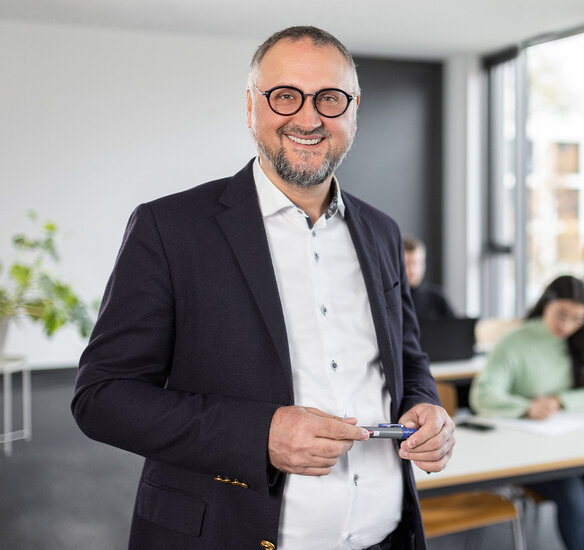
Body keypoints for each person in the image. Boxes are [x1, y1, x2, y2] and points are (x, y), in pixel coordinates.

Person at [71, 26, 454, 550]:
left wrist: (427, 407)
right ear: (251, 106)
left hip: (386, 539)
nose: (308, 117)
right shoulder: (170, 228)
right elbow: (102, 397)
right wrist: (260, 434)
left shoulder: (382, 231)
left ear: (354, 109)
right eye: (285, 96)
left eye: (330, 98)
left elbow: (407, 362)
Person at [470, 275, 584, 550]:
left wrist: (560, 401)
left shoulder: (583, 340)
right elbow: (482, 396)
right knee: (573, 494)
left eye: (578, 319)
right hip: (532, 453)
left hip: (577, 448)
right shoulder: (515, 341)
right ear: (546, 304)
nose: (567, 326)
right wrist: (527, 407)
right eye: (561, 315)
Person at [403, 236, 456, 320]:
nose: (413, 270)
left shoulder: (437, 298)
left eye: (418, 263)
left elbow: (455, 328)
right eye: (407, 263)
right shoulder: (391, 300)